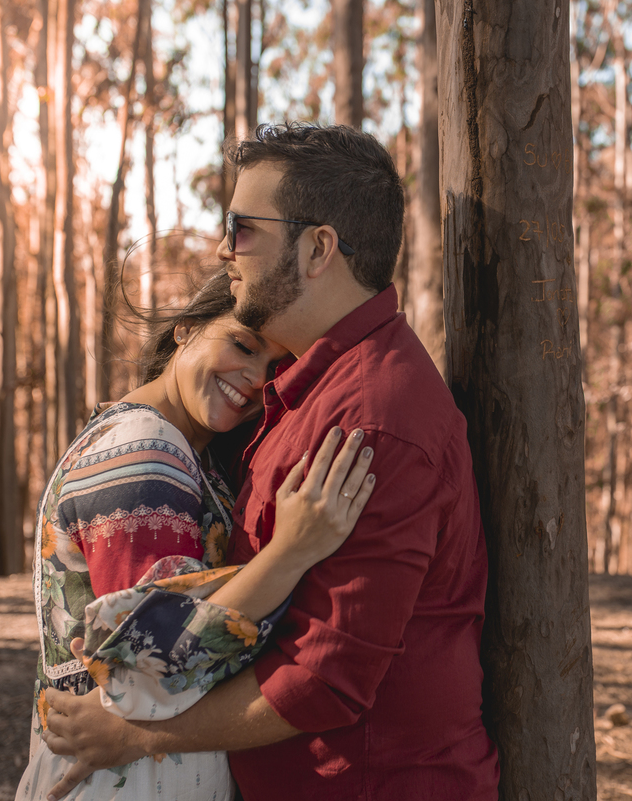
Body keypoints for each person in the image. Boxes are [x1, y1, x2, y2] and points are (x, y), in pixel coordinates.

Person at [43, 122, 500, 800]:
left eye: (243, 227)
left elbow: (324, 679)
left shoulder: (374, 420)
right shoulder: (294, 391)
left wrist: (136, 735)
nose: (224, 249)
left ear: (318, 248)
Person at [19, 272, 376, 801]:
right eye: (242, 345)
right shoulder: (146, 449)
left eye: (275, 367)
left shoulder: (178, 450)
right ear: (185, 329)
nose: (256, 379)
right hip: (129, 776)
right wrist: (294, 549)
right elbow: (147, 663)